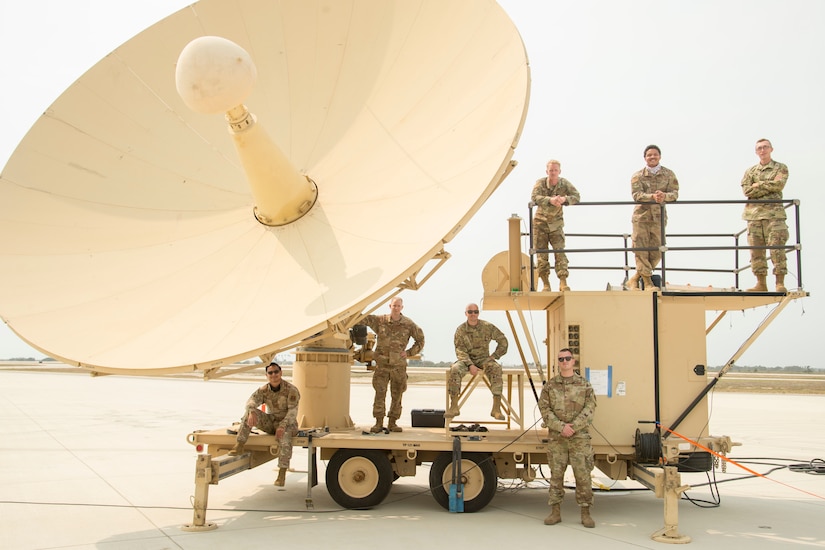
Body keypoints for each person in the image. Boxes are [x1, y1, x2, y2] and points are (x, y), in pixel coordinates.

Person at [538, 348, 597, 528]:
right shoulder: (550, 386)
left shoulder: (584, 385)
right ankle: (555, 512)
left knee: (583, 476)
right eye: (561, 359)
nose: (564, 361)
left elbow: (590, 408)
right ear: (558, 363)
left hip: (579, 438)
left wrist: (573, 427)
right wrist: (561, 427)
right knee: (556, 476)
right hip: (557, 438)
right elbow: (545, 410)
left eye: (568, 358)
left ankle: (585, 513)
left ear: (573, 361)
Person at [228, 362, 300, 487]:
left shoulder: (291, 390)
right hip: (272, 422)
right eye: (270, 373)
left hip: (288, 424)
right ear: (267, 375)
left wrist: (282, 426)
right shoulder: (264, 390)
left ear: (281, 373)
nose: (273, 375)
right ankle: (239, 444)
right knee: (249, 413)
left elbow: (293, 412)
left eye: (276, 372)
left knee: (286, 437)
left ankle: (282, 473)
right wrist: (251, 411)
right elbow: (251, 401)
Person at [361, 296, 425, 433]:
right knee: (380, 393)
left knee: (397, 395)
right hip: (382, 365)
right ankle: (378, 422)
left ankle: (392, 422)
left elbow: (420, 340)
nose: (396, 308)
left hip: (398, 366)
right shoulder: (380, 321)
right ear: (389, 306)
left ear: (402, 307)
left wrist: (408, 352)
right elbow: (362, 319)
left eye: (398, 306)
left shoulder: (408, 324)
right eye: (393, 305)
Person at [627, 145, 679, 291]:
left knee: (657, 251)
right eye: (649, 155)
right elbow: (636, 195)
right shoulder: (638, 176)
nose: (652, 157)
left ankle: (635, 278)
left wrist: (664, 196)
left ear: (659, 156)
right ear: (645, 158)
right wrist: (652, 197)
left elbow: (675, 193)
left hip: (658, 218)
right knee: (641, 249)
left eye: (655, 155)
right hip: (641, 217)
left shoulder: (669, 174)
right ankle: (647, 282)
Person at [741, 138, 789, 292]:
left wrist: (758, 185)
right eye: (759, 148)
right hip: (754, 216)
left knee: (777, 249)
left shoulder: (780, 168)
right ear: (756, 152)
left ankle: (779, 282)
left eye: (765, 147)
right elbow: (747, 190)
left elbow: (778, 185)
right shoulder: (750, 171)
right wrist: (766, 186)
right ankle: (761, 283)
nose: (762, 150)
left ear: (771, 149)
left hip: (774, 215)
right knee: (756, 250)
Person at [446, 303, 509, 420]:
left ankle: (496, 408)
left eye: (475, 312)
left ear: (478, 313)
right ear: (466, 314)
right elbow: (460, 349)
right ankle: (454, 406)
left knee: (496, 369)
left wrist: (495, 356)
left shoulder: (487, 327)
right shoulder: (461, 330)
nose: (473, 314)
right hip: (466, 360)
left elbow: (503, 341)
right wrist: (470, 365)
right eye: (470, 312)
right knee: (454, 369)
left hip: (484, 359)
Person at [531, 159, 581, 291]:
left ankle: (563, 282)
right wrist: (550, 200)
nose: (553, 173)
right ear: (547, 171)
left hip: (556, 224)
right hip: (540, 224)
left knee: (560, 253)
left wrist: (565, 199)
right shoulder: (540, 183)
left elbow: (576, 196)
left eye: (555, 170)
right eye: (551, 170)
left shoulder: (564, 183)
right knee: (542, 255)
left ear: (559, 171)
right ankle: (546, 284)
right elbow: (535, 197)